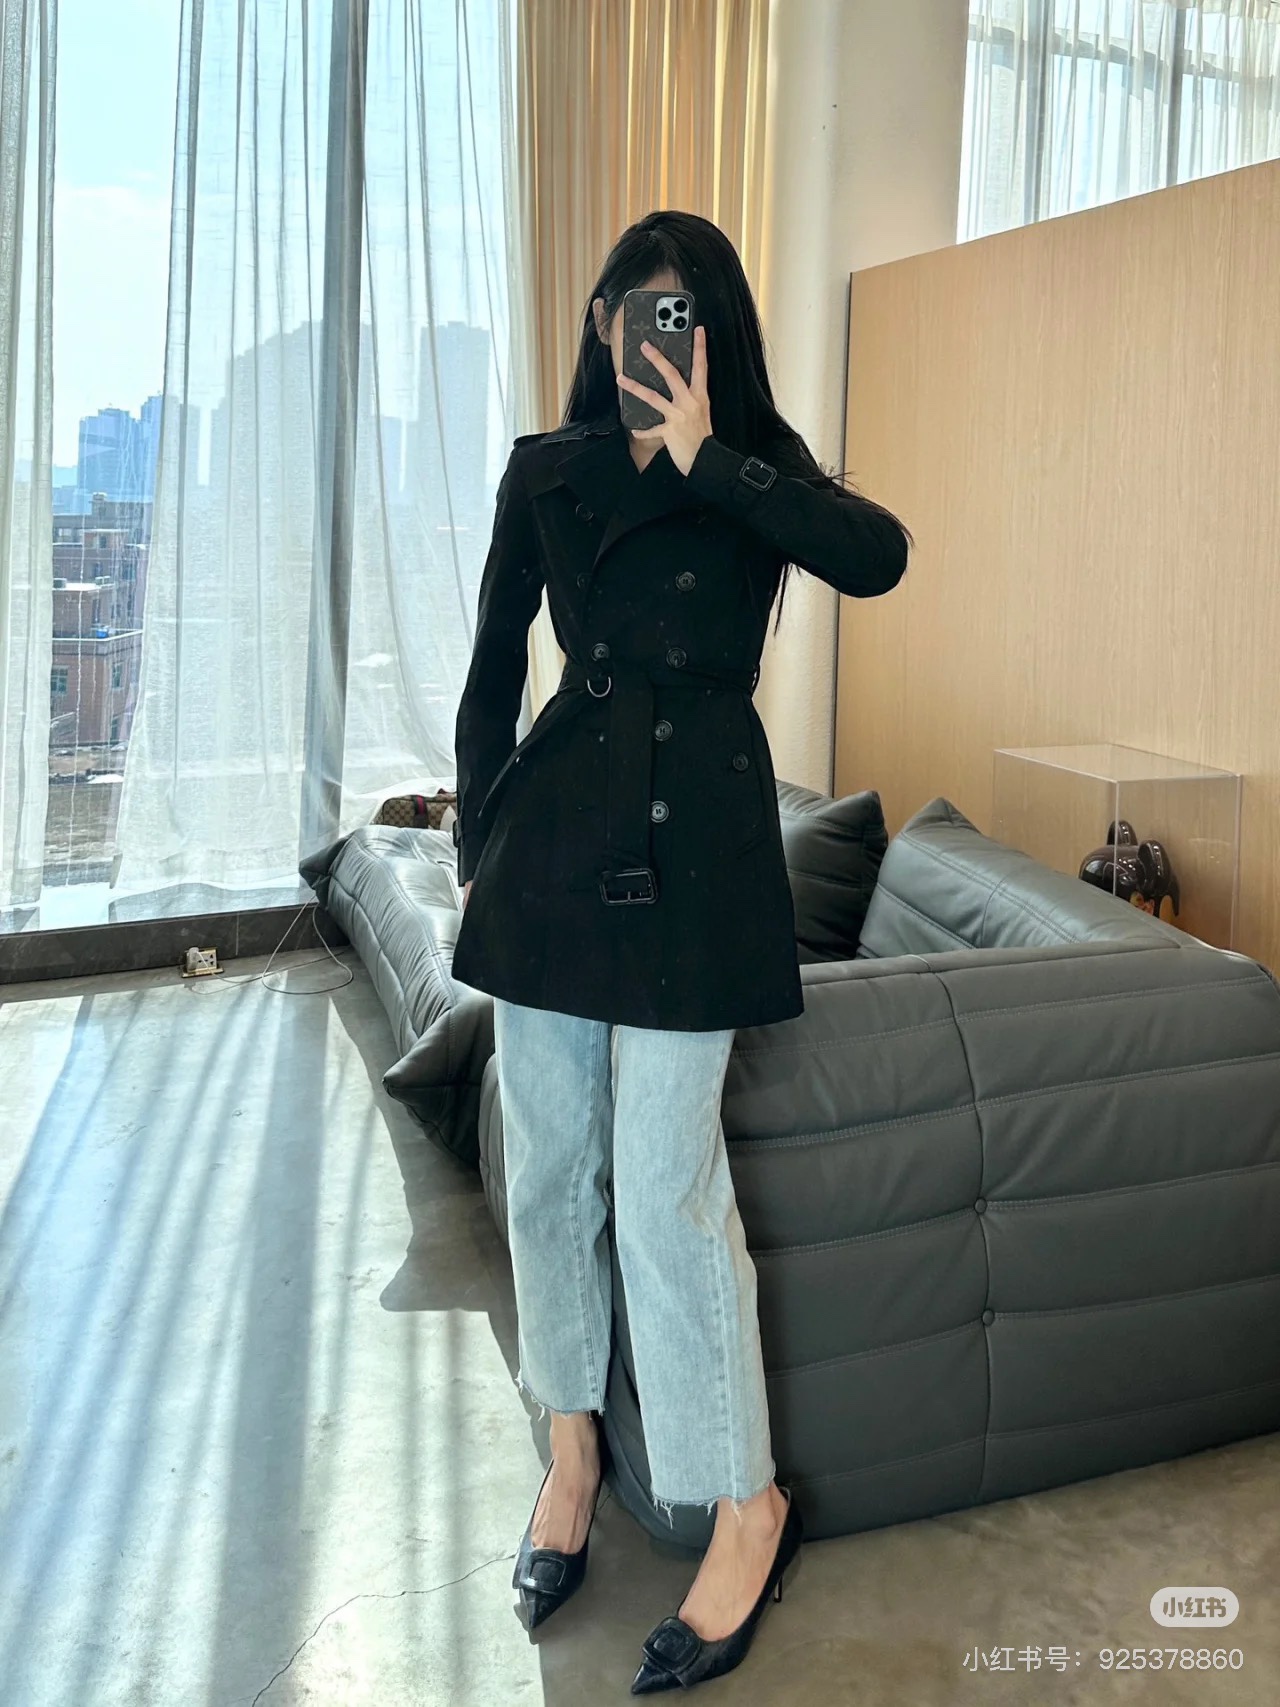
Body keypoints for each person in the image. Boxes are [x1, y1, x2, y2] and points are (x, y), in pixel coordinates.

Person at [451, 210, 912, 1692]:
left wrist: (715, 458)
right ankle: (571, 1450)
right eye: (629, 312)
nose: (648, 338)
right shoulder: (546, 469)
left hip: (696, 855)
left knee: (666, 1193)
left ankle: (746, 1502)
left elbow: (881, 558)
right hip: (551, 851)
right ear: (599, 327)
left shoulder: (756, 470)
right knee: (550, 1173)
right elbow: (490, 667)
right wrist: (476, 843)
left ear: (714, 333)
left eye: (678, 314)